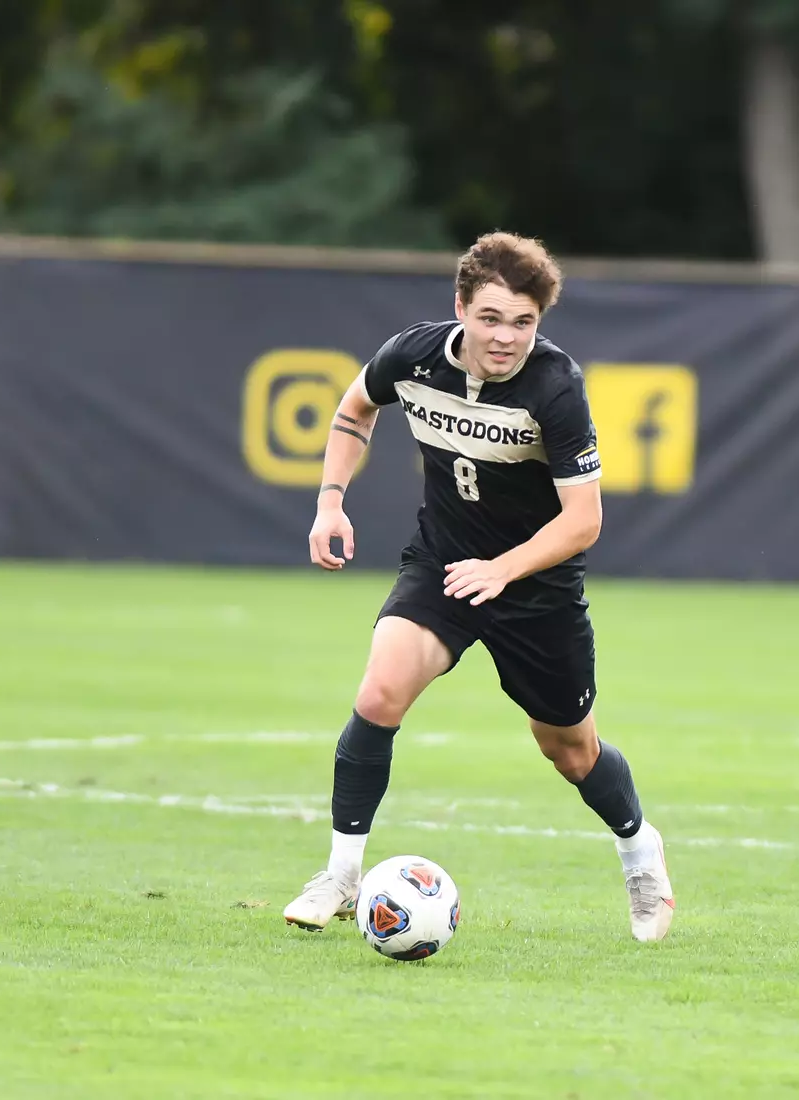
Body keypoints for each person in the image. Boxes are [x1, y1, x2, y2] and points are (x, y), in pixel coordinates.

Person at [282, 231, 674, 942]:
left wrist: (504, 569)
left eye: (523, 322)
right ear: (459, 305)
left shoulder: (555, 387)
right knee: (379, 694)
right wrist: (330, 500)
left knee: (569, 749)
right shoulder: (414, 354)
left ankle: (640, 850)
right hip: (445, 563)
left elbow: (583, 521)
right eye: (490, 318)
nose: (505, 337)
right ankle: (339, 875)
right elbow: (354, 407)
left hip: (536, 587)